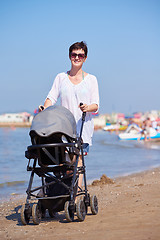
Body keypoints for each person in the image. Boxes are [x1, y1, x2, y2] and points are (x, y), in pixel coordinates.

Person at [39, 41, 99, 189]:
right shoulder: (61, 77)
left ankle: (76, 197)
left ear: (85, 58)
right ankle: (62, 193)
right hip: (63, 127)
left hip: (82, 128)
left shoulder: (91, 79)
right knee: (61, 161)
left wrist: (87, 107)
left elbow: (96, 105)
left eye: (80, 55)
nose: (77, 57)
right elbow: (51, 98)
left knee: (77, 161)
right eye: (74, 54)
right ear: (69, 56)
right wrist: (44, 108)